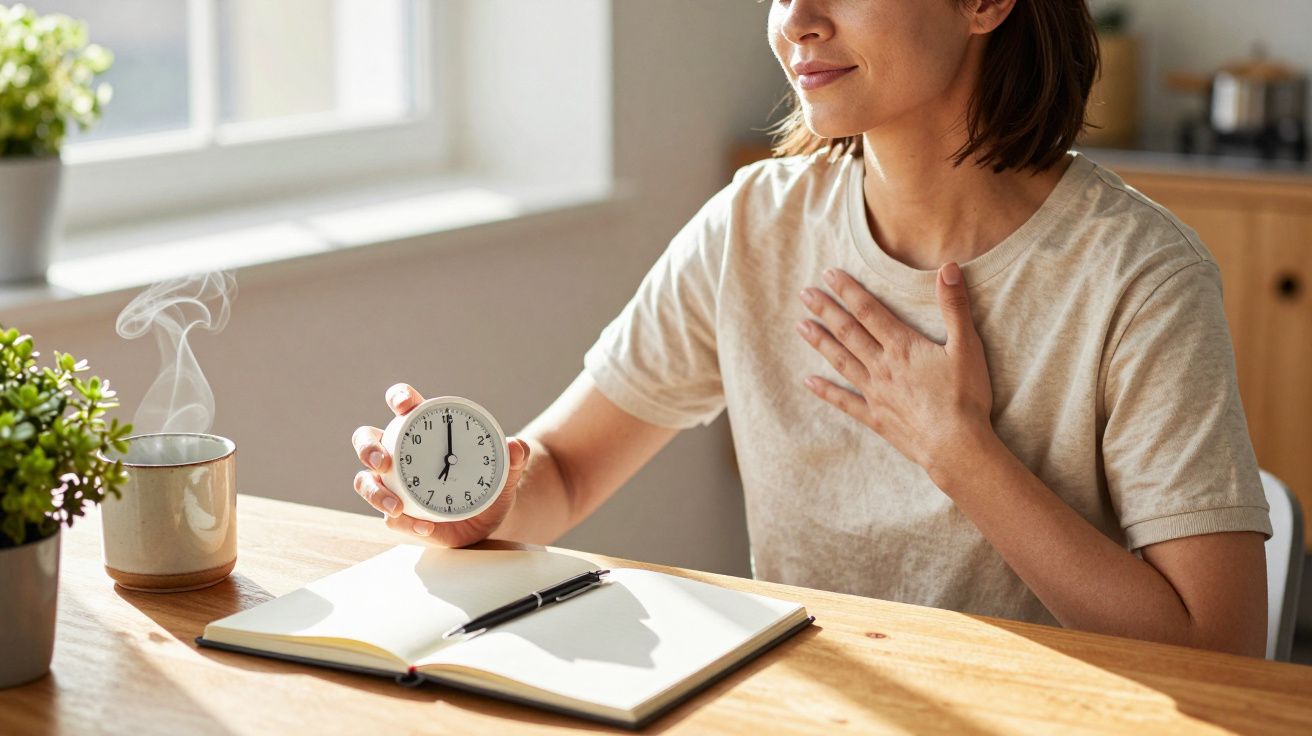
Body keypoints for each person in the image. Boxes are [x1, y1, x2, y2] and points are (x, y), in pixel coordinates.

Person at [351, 0, 1272, 657]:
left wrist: (959, 451)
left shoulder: (1140, 278)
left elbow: (1216, 647)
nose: (795, 18)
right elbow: (566, 468)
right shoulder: (754, 227)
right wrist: (483, 506)